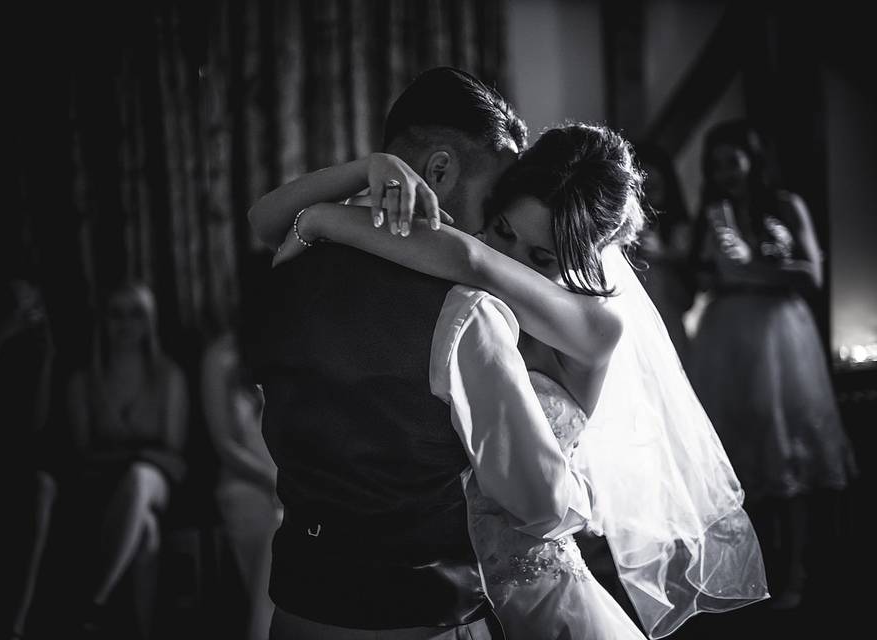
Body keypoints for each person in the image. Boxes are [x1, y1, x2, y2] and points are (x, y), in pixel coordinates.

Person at [258, 112, 770, 636]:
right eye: (501, 231)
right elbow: (265, 220)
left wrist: (321, 221)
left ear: (588, 258)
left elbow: (472, 261)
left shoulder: (594, 328)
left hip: (536, 584)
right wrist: (363, 174)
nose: (512, 262)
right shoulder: (463, 297)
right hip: (458, 585)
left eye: (541, 257)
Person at [249, 66, 596, 640]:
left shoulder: (292, 261)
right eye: (494, 194)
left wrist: (340, 193)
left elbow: (266, 220)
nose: (490, 225)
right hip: (420, 616)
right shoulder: (467, 313)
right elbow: (539, 502)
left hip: (297, 612)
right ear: (437, 170)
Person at [688, 119, 857, 610]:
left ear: (752, 159)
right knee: (739, 449)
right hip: (726, 335)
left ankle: (799, 570)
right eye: (715, 165)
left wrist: (752, 267)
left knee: (788, 449)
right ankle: (750, 571)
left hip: (781, 334)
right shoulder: (710, 214)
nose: (724, 173)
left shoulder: (784, 206)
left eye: (732, 161)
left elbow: (812, 275)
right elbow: (702, 281)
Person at [60, 281, 189, 635]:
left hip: (157, 483)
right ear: (102, 321)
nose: (125, 324)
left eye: (136, 314)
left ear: (150, 322)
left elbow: (173, 453)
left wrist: (132, 457)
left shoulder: (168, 376)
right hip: (99, 486)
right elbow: (82, 455)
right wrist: (140, 451)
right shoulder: (83, 381)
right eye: (115, 314)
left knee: (140, 477)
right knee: (145, 530)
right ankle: (141, 632)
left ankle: (92, 604)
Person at [201, 330, 281, 640]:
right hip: (246, 480)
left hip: (297, 482)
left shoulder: (297, 336)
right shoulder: (220, 355)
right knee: (270, 524)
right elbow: (223, 443)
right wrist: (270, 480)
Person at [633, 143, 694, 362]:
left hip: (668, 314)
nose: (647, 194)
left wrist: (667, 256)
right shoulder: (621, 231)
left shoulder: (680, 230)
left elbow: (690, 293)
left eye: (654, 187)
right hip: (633, 319)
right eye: (642, 187)